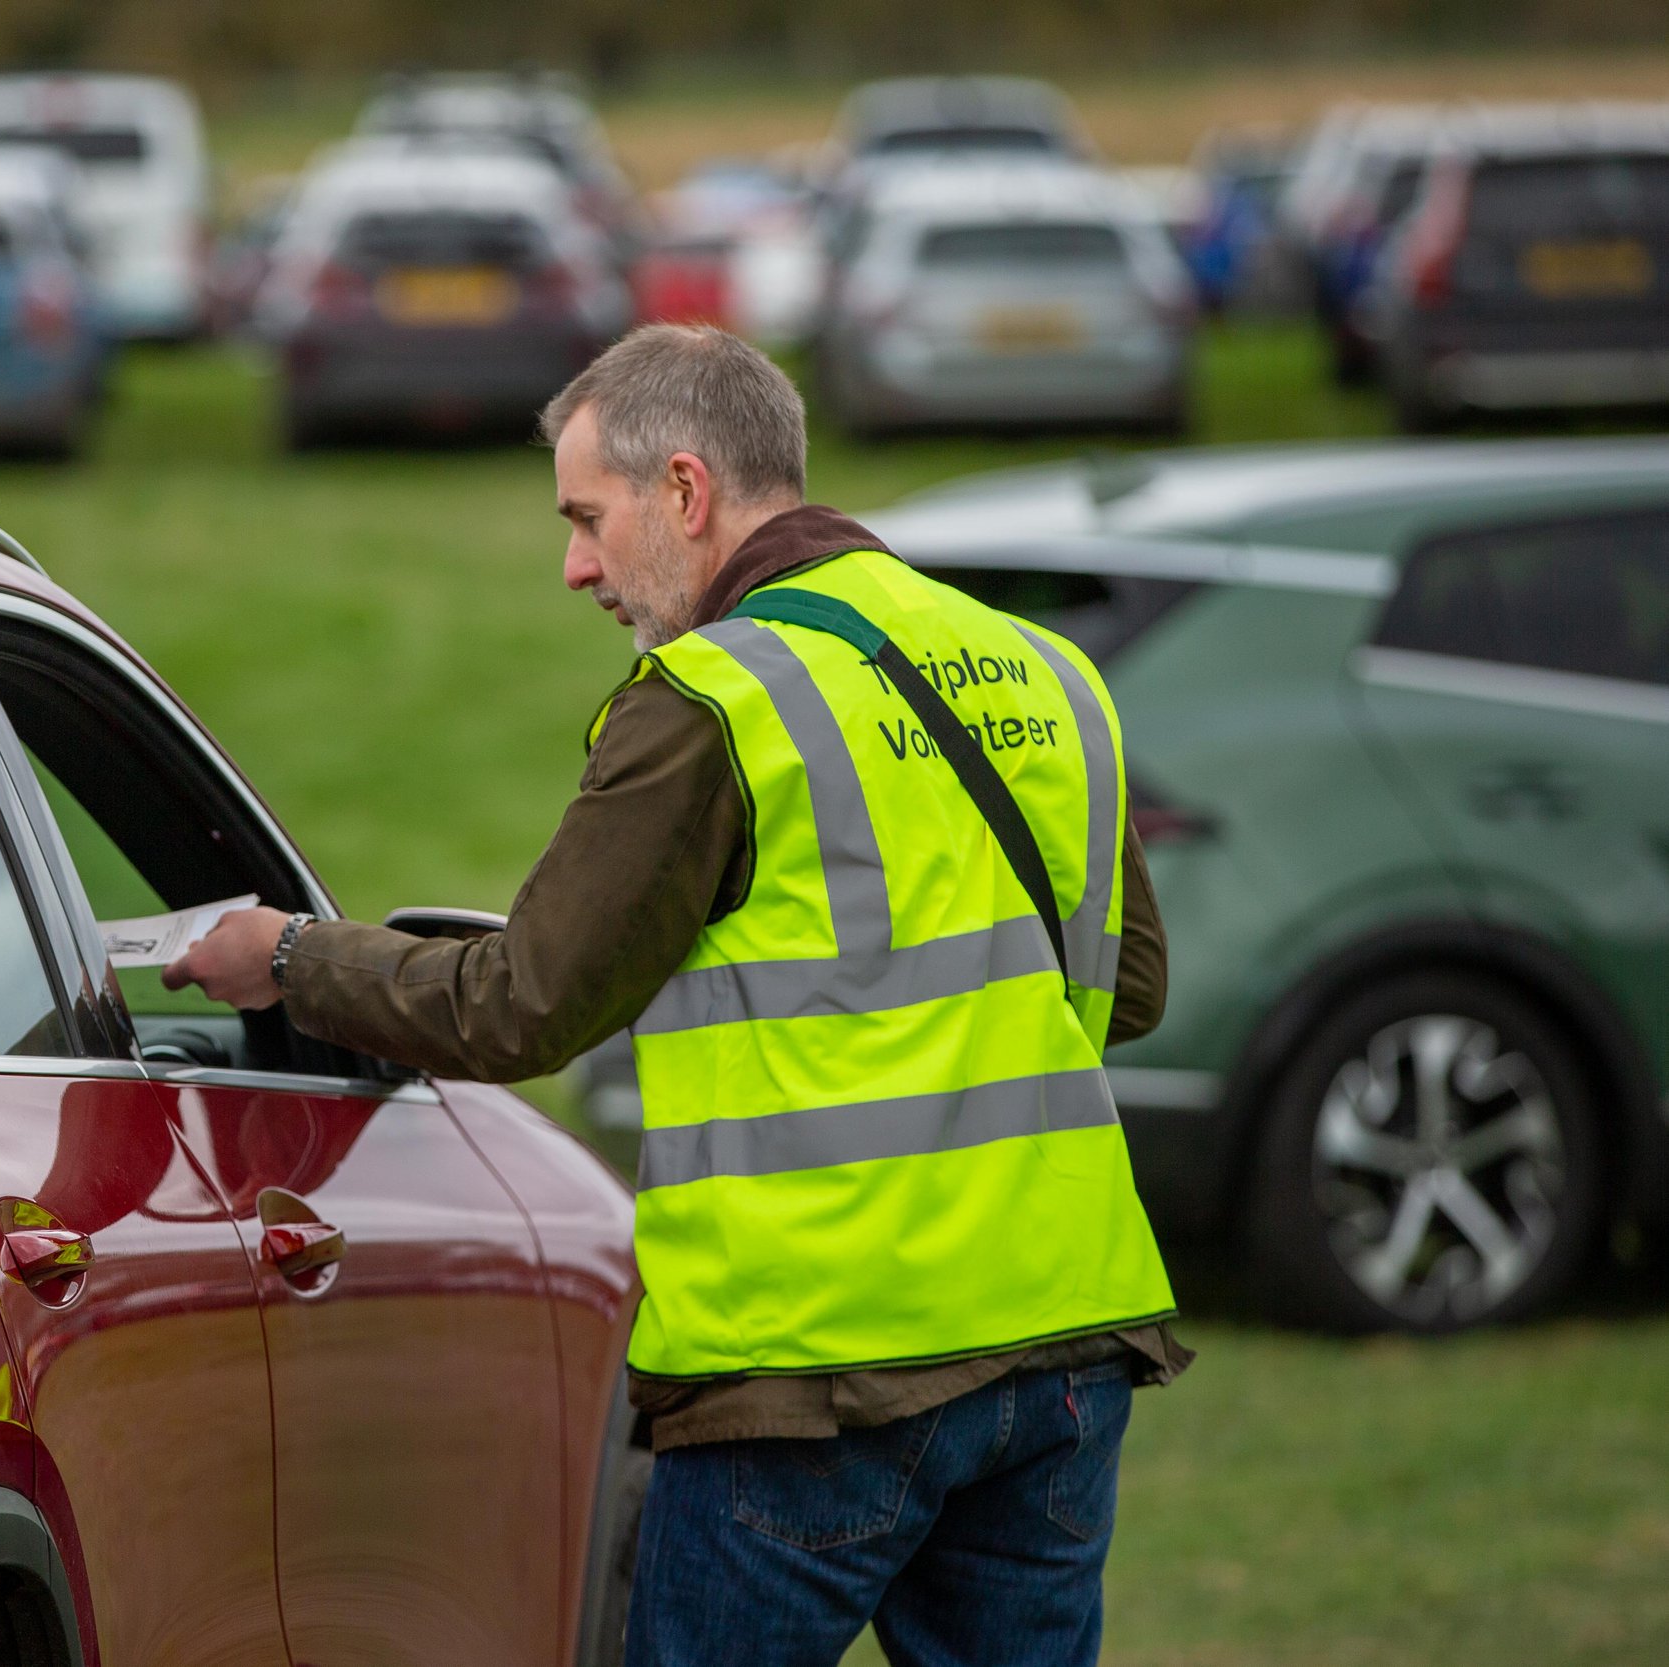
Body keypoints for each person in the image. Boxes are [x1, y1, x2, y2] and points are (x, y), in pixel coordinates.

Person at [166, 324, 1187, 1667]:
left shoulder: (710, 699)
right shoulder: (1047, 672)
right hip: (1065, 1339)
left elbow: (517, 1004)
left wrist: (290, 955)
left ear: (689, 492)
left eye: (589, 518)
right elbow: (1126, 990)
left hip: (814, 1371)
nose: (576, 564)